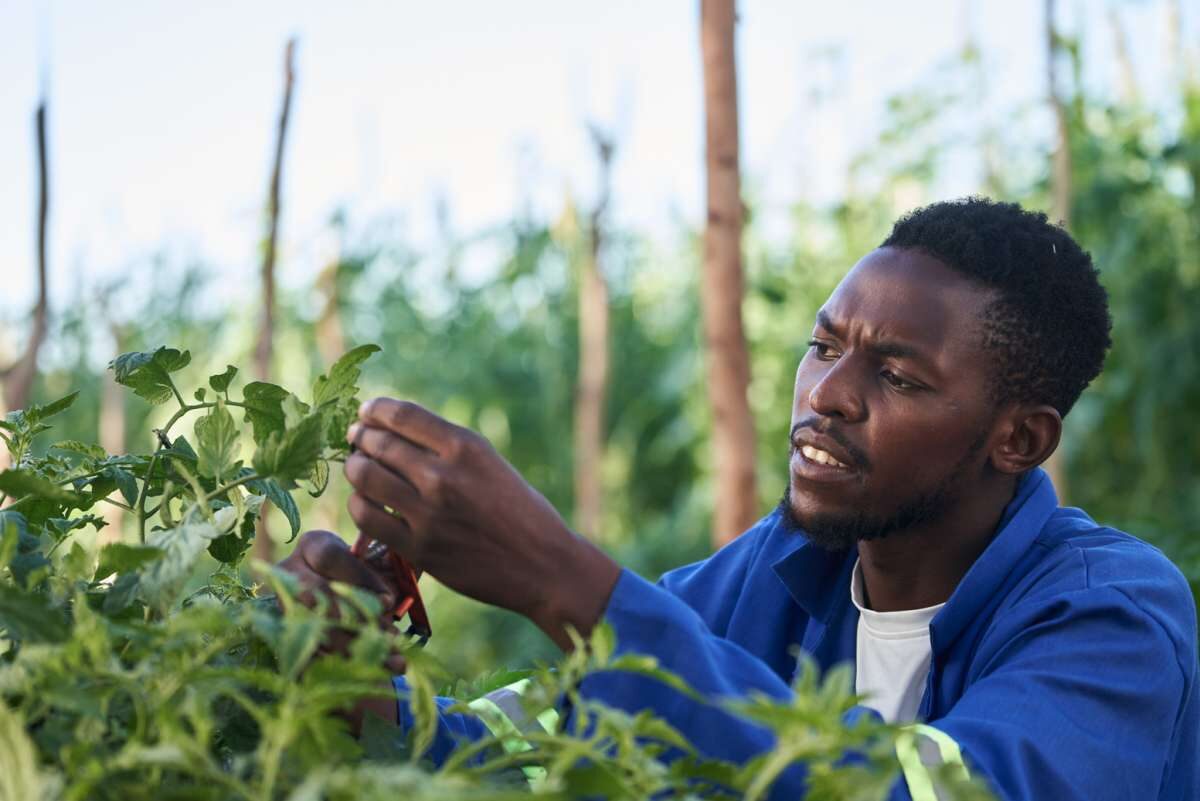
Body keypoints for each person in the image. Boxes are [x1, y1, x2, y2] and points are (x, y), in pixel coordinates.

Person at [280, 198, 1199, 800]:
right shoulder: (761, 577)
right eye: (822, 344)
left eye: (898, 375)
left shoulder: (1110, 616)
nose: (827, 394)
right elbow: (517, 758)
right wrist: (357, 684)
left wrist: (565, 580)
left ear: (1020, 439)